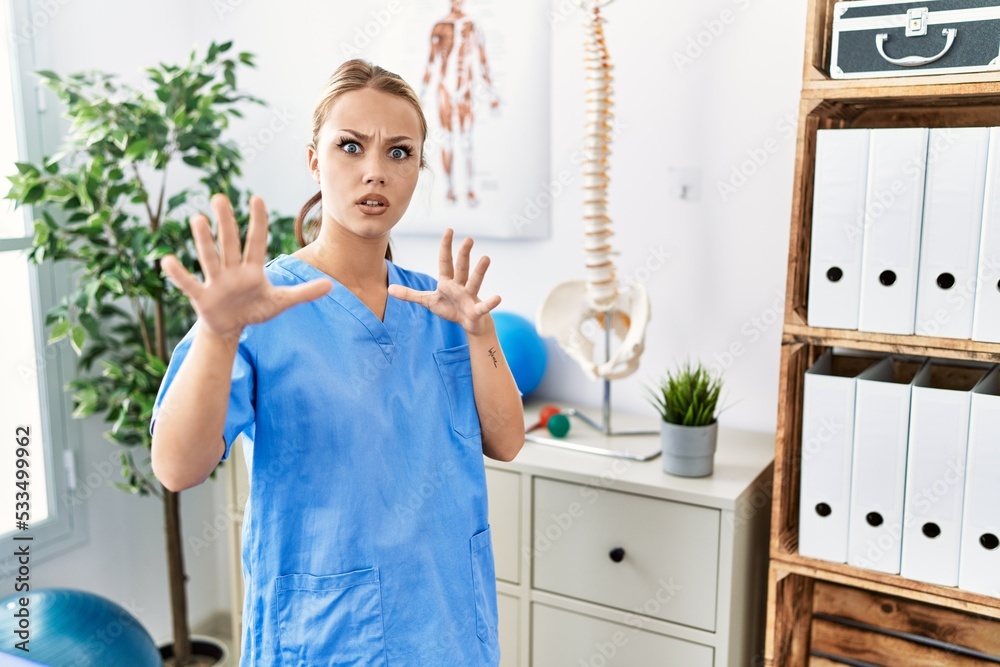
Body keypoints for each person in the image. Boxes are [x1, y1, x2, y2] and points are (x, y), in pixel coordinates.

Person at [148, 58, 524, 666]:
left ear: (417, 168)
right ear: (314, 159)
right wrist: (218, 336)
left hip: (448, 628)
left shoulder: (441, 306)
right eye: (351, 146)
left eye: (399, 153)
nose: (375, 171)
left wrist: (481, 330)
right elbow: (176, 467)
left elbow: (506, 441)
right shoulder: (263, 308)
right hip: (324, 636)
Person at [420, 0, 500, 207]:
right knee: (447, 140)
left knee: (466, 141)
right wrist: (420, 96)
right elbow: (430, 63)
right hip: (445, 91)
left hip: (465, 91)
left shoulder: (473, 27)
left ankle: (471, 188)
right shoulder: (439, 27)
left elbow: (483, 62)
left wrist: (492, 93)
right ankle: (450, 188)